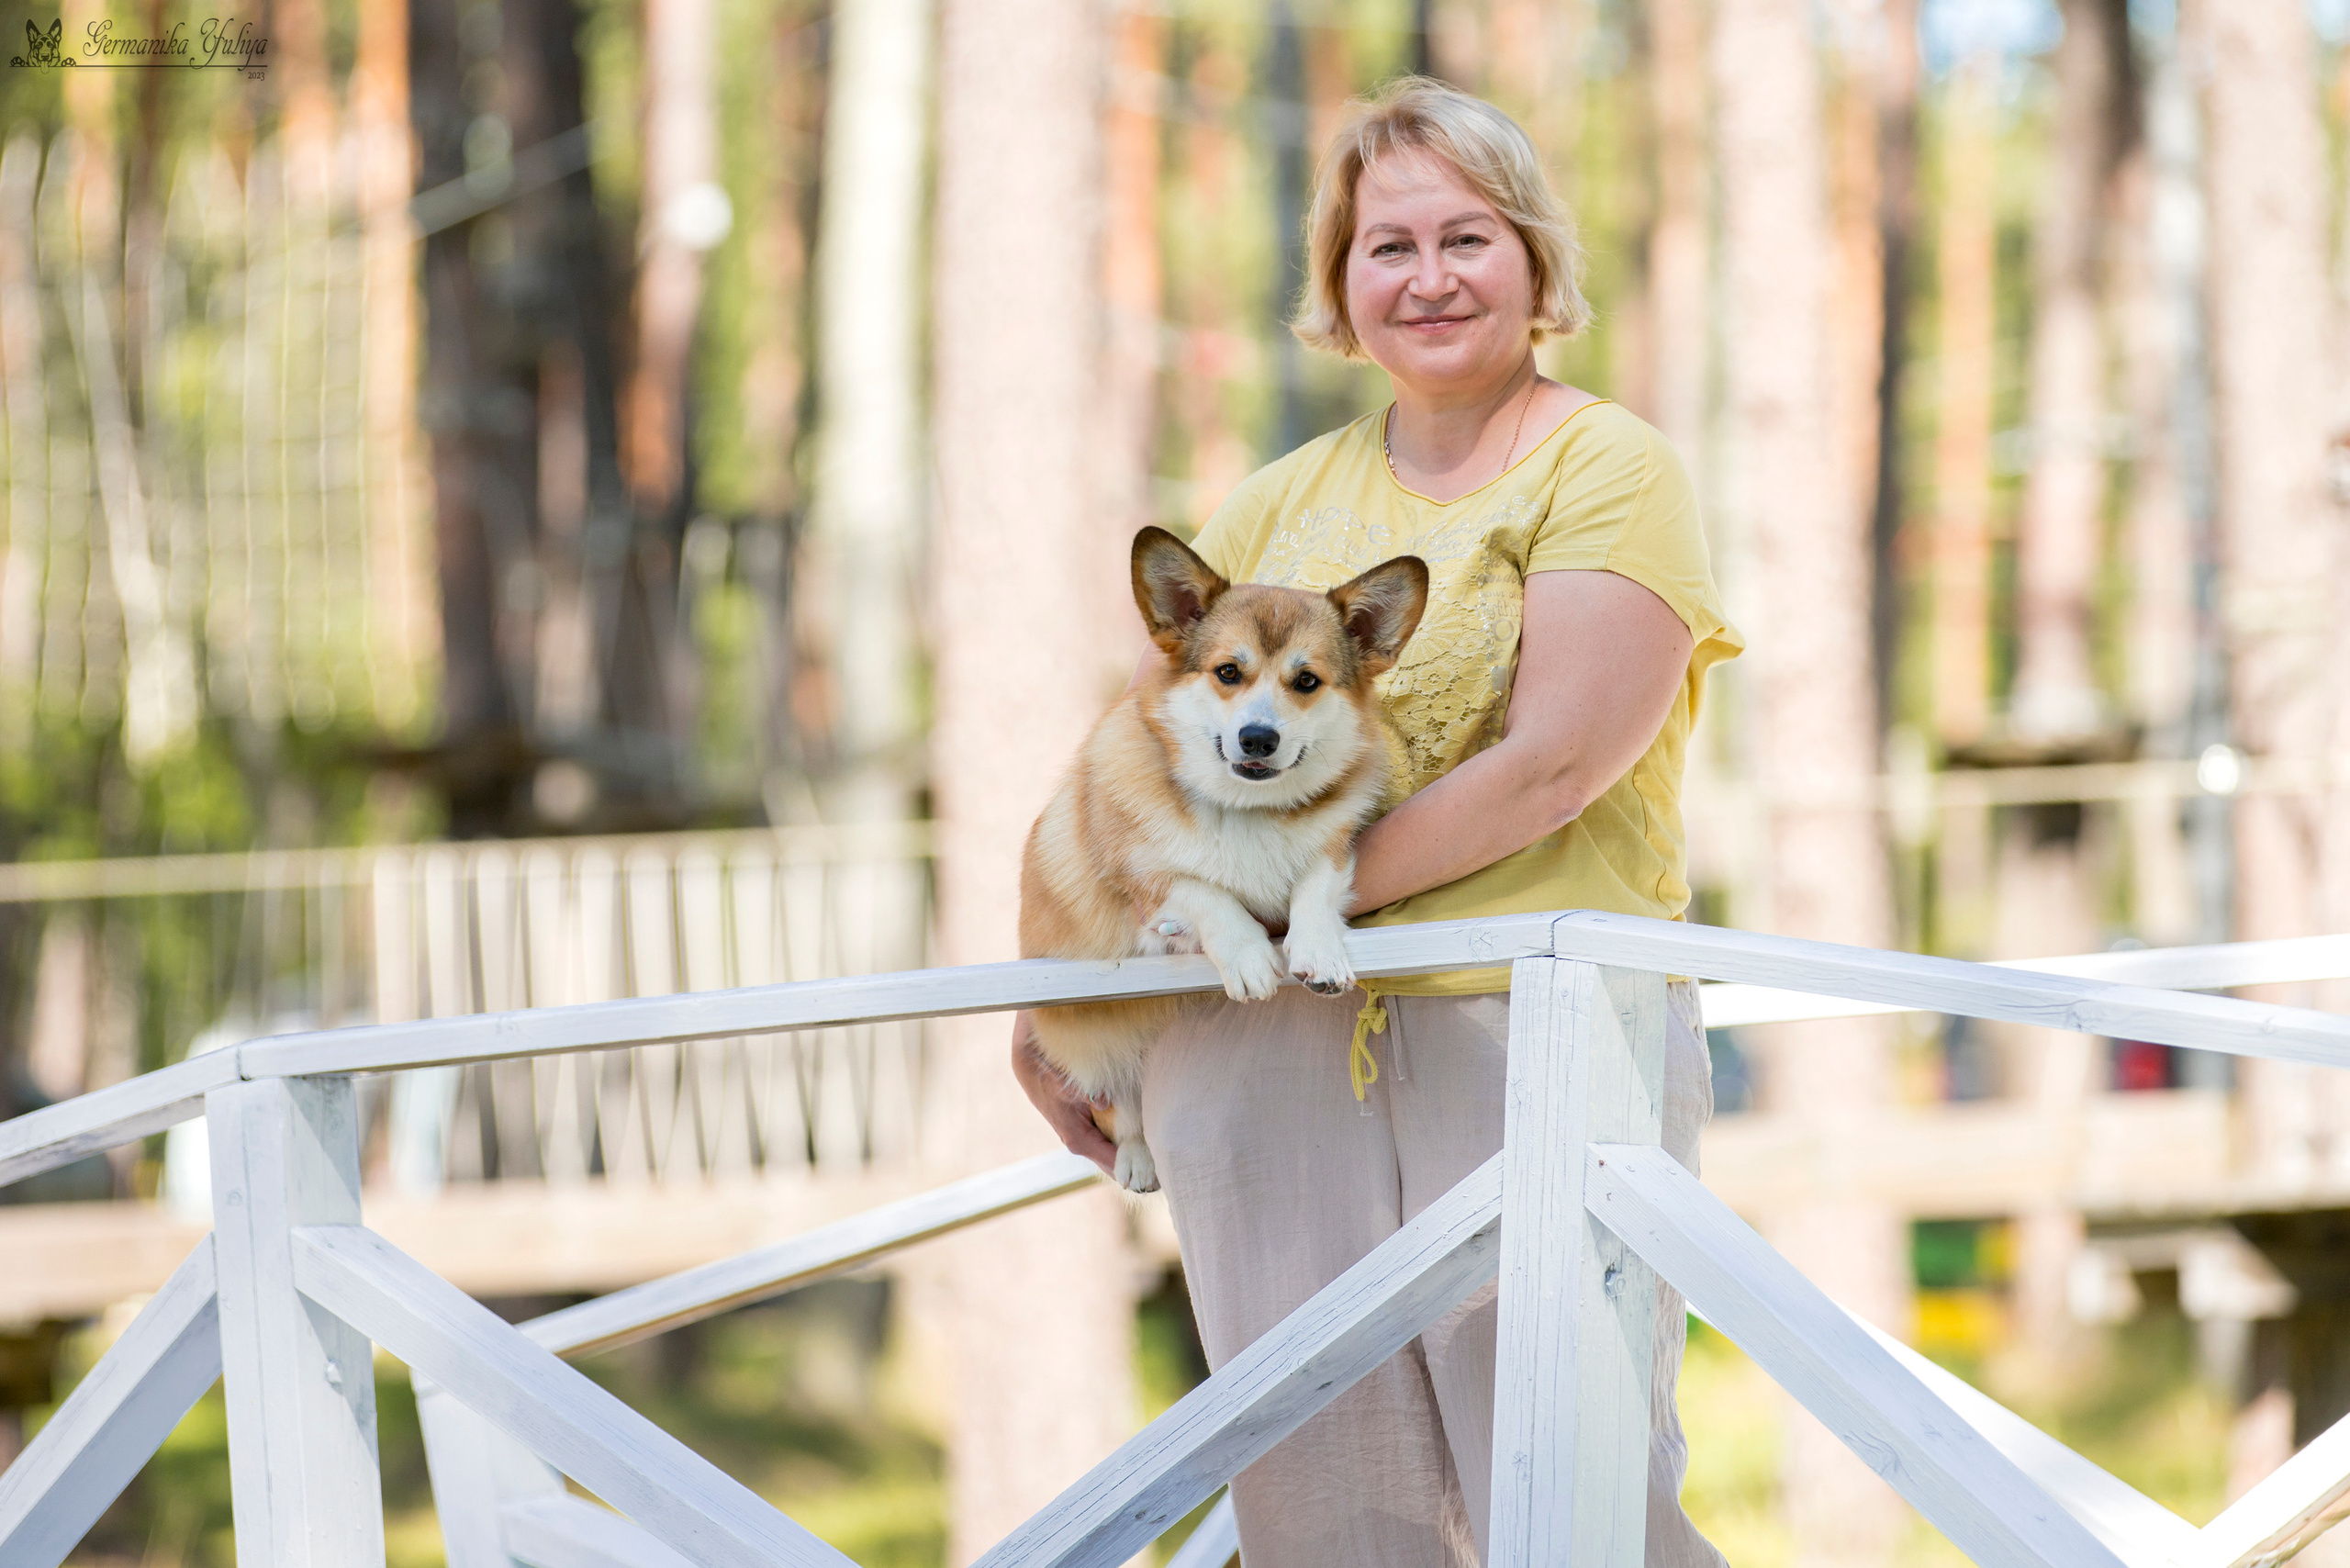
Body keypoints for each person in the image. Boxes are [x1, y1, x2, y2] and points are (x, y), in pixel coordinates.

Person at [1013, 77, 1740, 1567]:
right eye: (1385, 247)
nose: (1429, 278)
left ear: (1533, 257)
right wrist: (1060, 993)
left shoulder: (1610, 469)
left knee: (1573, 1492)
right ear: (1339, 282)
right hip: (1256, 1044)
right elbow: (1132, 761)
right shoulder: (1277, 505)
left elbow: (1554, 767)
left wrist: (1294, 902)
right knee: (1318, 1498)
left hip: (1522, 1030)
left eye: (1467, 237)